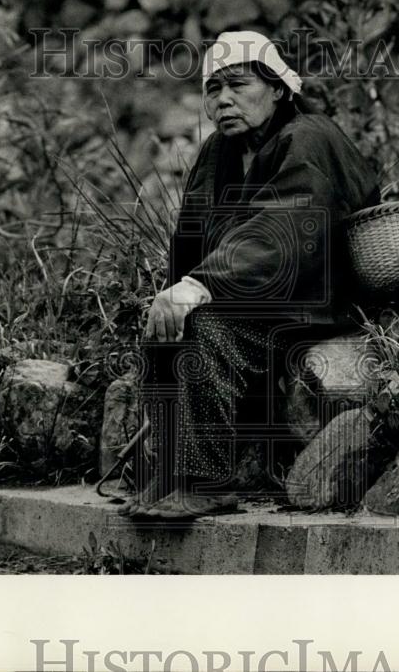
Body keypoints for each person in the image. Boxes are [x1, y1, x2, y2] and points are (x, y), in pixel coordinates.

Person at [120, 31, 380, 520]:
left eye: (239, 85)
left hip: (313, 301)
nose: (224, 100)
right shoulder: (219, 151)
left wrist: (199, 288)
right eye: (213, 90)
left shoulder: (308, 136)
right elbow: (191, 238)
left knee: (205, 325)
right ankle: (172, 472)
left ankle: (209, 482)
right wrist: (175, 292)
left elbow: (283, 229)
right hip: (252, 298)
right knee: (167, 324)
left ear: (278, 88)